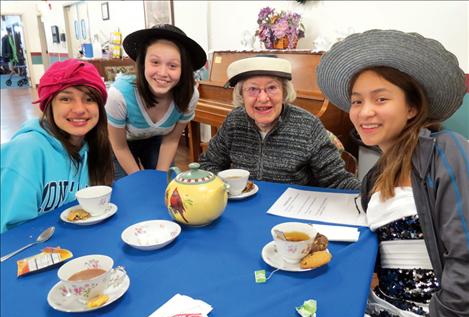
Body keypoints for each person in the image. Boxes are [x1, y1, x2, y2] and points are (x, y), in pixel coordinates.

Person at [317, 29, 469, 317]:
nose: (365, 112)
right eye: (357, 101)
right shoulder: (375, 176)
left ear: (412, 107)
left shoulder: (446, 152)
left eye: (381, 99)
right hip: (380, 305)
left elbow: (465, 258)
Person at [199, 55, 360, 189]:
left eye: (271, 88)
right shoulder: (235, 121)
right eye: (253, 89)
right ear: (241, 95)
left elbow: (337, 180)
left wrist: (373, 196)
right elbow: (209, 164)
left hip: (290, 213)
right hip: (243, 207)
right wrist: (228, 186)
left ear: (284, 92)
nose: (262, 98)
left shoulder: (308, 125)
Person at [0, 59, 113, 233]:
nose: (79, 109)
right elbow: (11, 233)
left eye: (89, 99)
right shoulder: (26, 150)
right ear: (49, 105)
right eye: (66, 98)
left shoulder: (93, 146)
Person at [105, 24, 207, 178]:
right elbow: (119, 147)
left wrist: (159, 180)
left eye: (173, 66)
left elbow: (171, 140)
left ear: (183, 69)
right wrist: (141, 180)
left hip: (157, 140)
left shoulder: (189, 96)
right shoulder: (119, 95)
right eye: (155, 62)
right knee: (129, 188)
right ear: (142, 62)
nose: (163, 73)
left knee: (164, 184)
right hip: (121, 144)